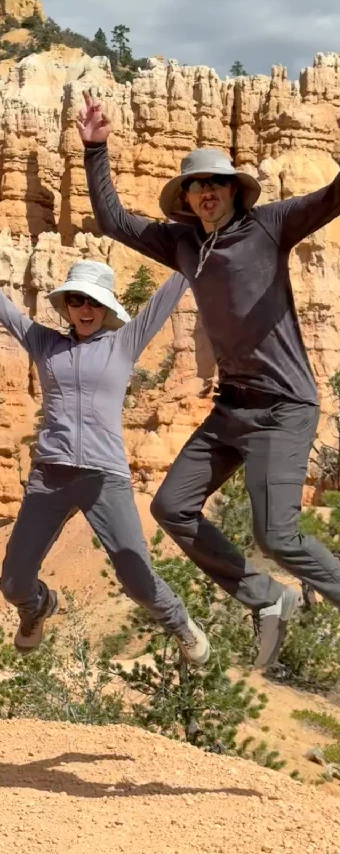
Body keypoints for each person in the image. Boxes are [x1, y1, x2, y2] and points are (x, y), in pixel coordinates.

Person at [79, 89, 340, 667]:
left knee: (278, 535)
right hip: (231, 408)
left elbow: (332, 196)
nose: (206, 192)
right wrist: (95, 150)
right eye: (196, 185)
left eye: (216, 183)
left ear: (234, 189)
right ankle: (265, 596)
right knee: (171, 506)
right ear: (187, 197)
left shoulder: (271, 225)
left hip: (283, 407)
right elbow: (112, 220)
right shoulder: (182, 243)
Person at [0, 244, 209, 664]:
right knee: (13, 583)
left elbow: (164, 298)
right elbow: (6, 308)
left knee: (137, 579)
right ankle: (37, 607)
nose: (85, 309)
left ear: (107, 307)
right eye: (77, 300)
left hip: (105, 478)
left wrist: (193, 254)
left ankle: (179, 623)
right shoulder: (44, 343)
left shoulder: (125, 342)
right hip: (50, 477)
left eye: (94, 302)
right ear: (66, 305)